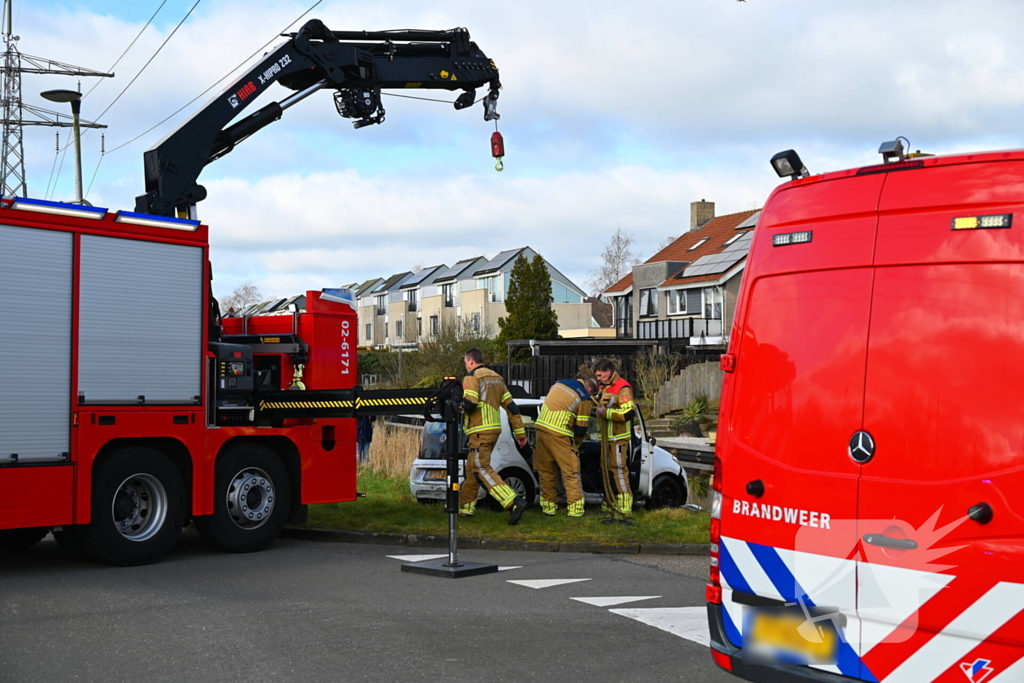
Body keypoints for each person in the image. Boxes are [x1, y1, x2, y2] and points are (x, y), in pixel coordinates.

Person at [458, 347, 531, 524]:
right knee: (472, 471)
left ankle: (513, 501)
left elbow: (470, 404)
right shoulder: (497, 379)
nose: (466, 366)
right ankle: (464, 510)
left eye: (466, 362)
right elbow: (512, 408)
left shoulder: (471, 377)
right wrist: (520, 434)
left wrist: (457, 405)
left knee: (482, 469)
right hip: (494, 431)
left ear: (470, 361)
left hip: (479, 431)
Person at [534, 377, 600, 517]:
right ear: (590, 390)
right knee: (571, 473)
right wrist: (576, 444)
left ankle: (548, 508)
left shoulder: (559, 383)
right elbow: (581, 430)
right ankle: (575, 510)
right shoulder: (584, 398)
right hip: (560, 433)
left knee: (546, 471)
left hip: (540, 429)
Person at [594, 358, 635, 515]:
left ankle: (625, 504)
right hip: (606, 438)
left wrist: (606, 413)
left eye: (600, 375)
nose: (598, 379)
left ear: (608, 372)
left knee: (618, 470)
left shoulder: (622, 388)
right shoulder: (605, 387)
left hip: (618, 438)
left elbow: (628, 413)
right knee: (605, 470)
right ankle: (609, 502)